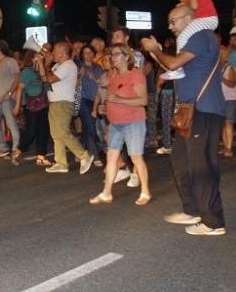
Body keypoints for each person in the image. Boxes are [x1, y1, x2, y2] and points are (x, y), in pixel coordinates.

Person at [141, 5, 227, 237]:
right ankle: (193, 209)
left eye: (173, 21)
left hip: (204, 110)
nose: (170, 26)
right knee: (180, 161)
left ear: (189, 18)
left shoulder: (200, 37)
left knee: (201, 166)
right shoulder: (192, 40)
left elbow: (173, 64)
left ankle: (213, 221)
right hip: (190, 113)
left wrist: (154, 51)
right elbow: (175, 67)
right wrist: (158, 52)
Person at [89, 43, 151, 206]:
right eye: (111, 54)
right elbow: (110, 98)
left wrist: (120, 100)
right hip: (115, 123)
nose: (112, 57)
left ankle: (145, 191)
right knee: (111, 158)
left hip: (133, 122)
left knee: (136, 157)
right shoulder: (114, 76)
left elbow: (143, 100)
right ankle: (106, 192)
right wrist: (104, 108)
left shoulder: (136, 74)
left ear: (126, 56)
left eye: (116, 54)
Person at [38, 42, 93, 174]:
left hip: (63, 103)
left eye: (55, 52)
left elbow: (49, 79)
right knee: (56, 135)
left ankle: (84, 156)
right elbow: (45, 80)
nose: (52, 54)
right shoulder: (58, 65)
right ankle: (61, 162)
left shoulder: (68, 65)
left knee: (62, 132)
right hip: (55, 102)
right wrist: (42, 64)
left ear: (62, 53)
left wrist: (45, 64)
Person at [16, 49, 52, 166]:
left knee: (43, 130)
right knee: (31, 130)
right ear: (31, 59)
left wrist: (42, 66)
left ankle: (41, 156)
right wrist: (17, 105)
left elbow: (46, 84)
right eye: (38, 57)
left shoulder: (42, 71)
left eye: (41, 57)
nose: (40, 59)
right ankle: (18, 151)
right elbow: (20, 89)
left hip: (43, 105)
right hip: (31, 106)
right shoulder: (27, 72)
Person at [0, 40, 21, 158]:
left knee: (10, 123)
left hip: (7, 98)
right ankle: (2, 145)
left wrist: (10, 92)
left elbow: (17, 78)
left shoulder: (10, 61)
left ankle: (16, 148)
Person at [220, 50, 236, 157]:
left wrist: (222, 78)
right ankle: (225, 146)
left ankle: (229, 148)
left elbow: (232, 84)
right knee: (223, 124)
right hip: (220, 99)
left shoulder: (229, 68)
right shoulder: (216, 69)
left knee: (228, 122)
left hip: (230, 98)